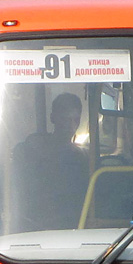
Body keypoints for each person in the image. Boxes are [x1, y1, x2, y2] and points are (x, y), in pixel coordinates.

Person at [14, 93, 90, 229]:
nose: (71, 125)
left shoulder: (82, 156)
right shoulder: (33, 151)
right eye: (65, 119)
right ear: (53, 118)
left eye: (75, 120)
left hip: (76, 222)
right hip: (37, 223)